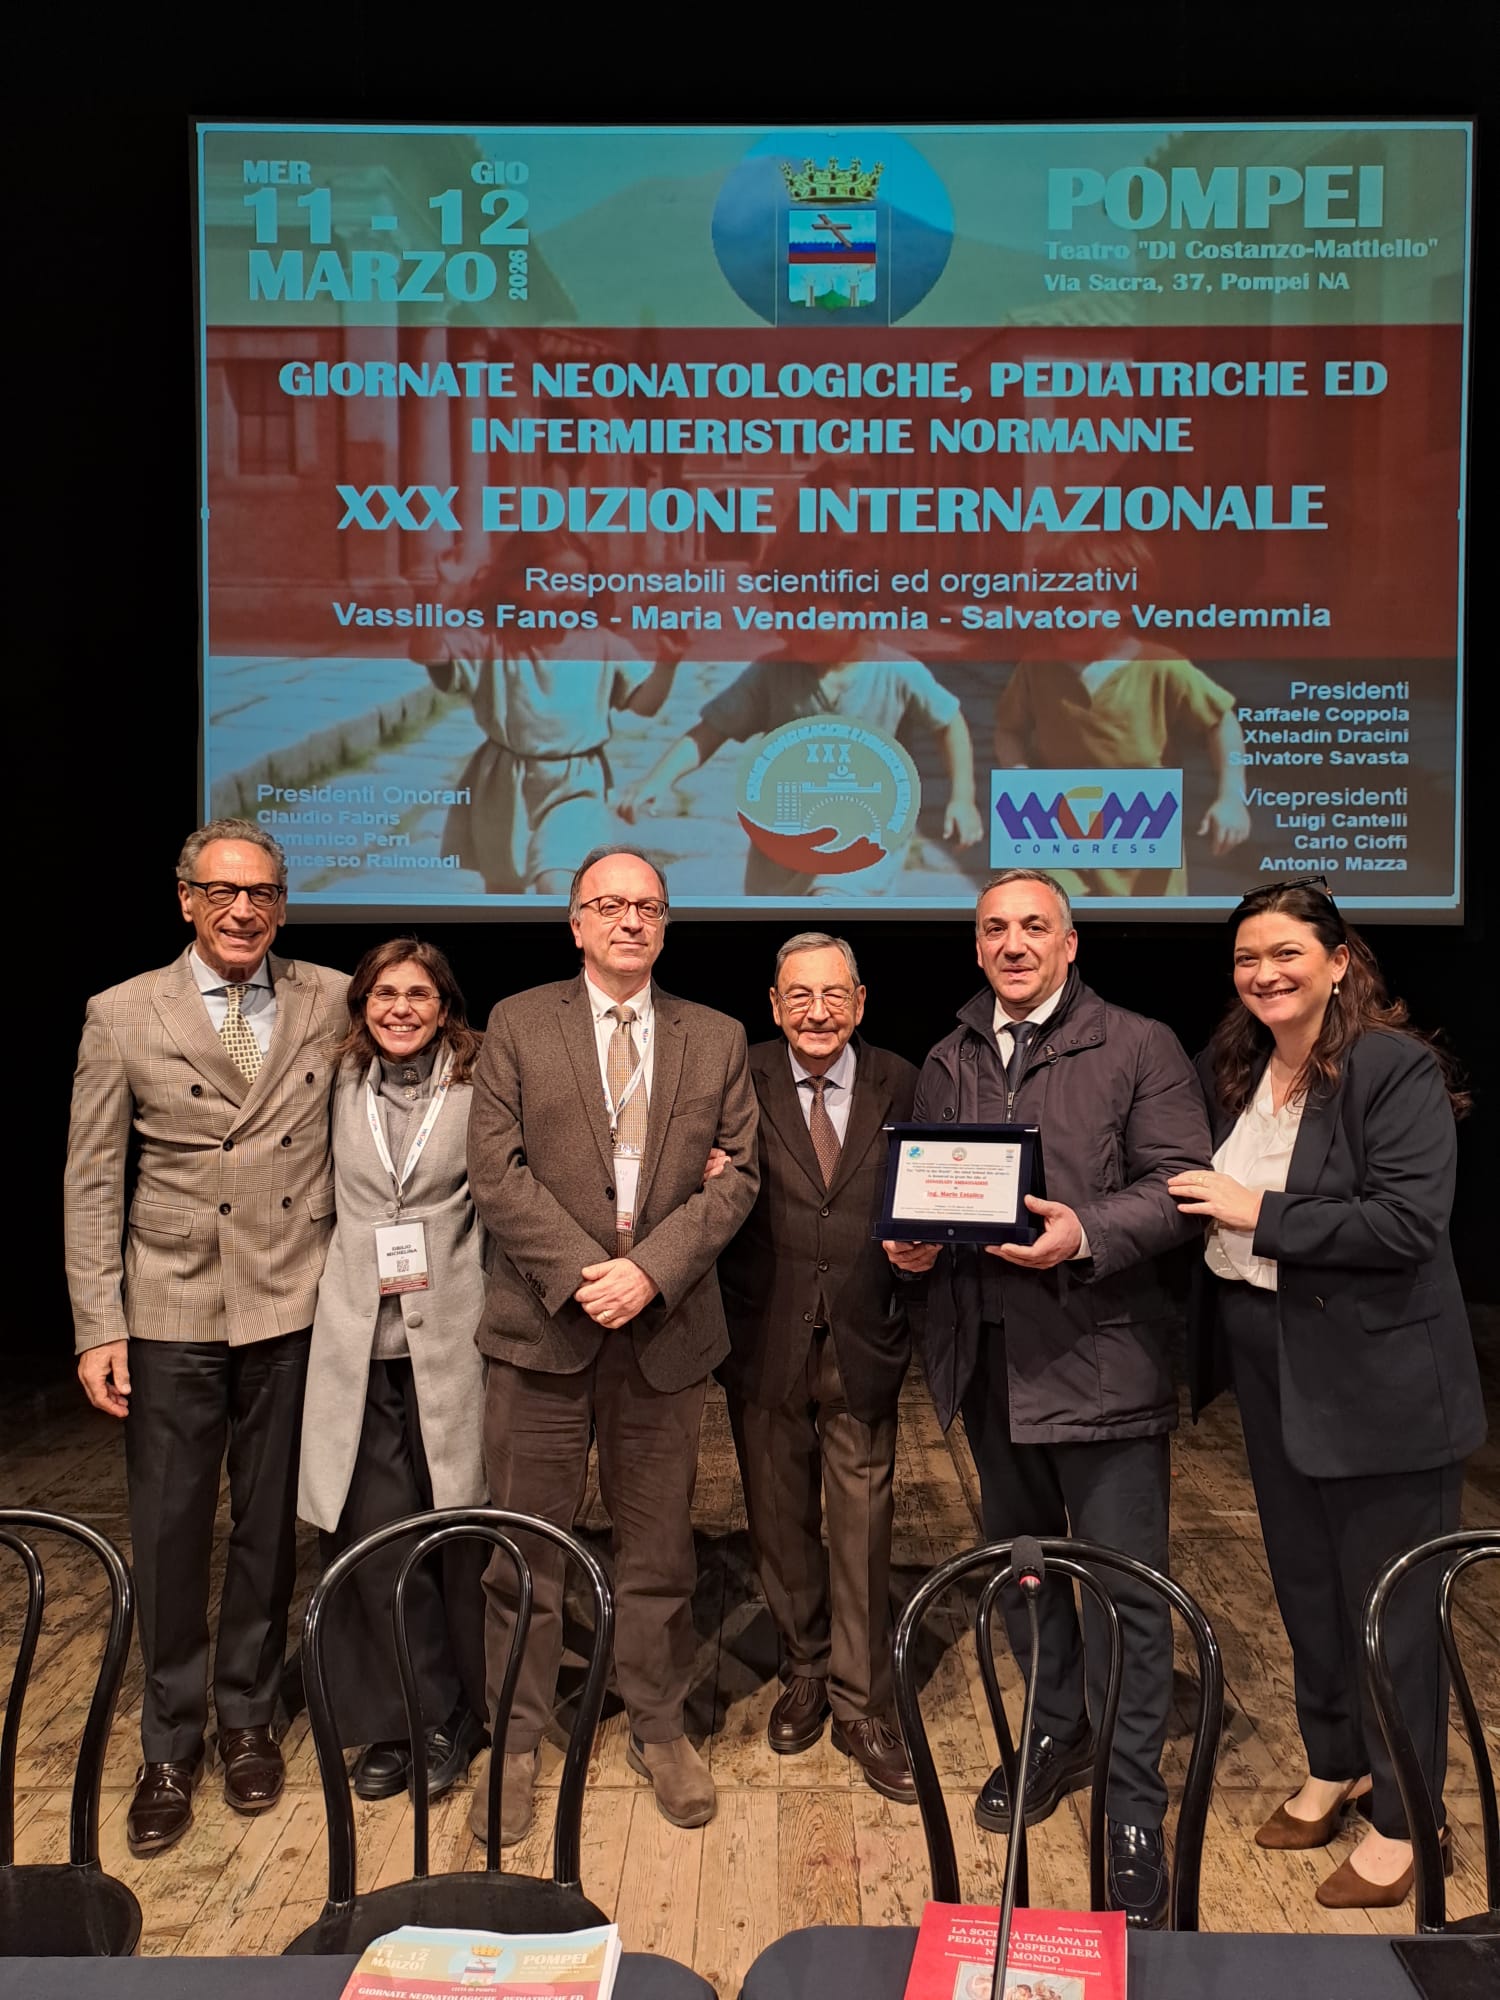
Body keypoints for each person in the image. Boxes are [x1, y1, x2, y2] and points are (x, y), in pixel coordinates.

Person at [885, 868, 1211, 1928]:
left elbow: (1179, 1188)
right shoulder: (950, 1054)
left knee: (1125, 1592)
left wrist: (1085, 1231)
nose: (1013, 943)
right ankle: (1055, 1730)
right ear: (977, 946)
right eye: (995, 928)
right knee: (1026, 1578)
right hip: (989, 1364)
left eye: (1034, 926)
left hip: (1101, 1358)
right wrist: (915, 1243)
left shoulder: (1140, 1043)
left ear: (1072, 944)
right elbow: (938, 1187)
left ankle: (1132, 1801)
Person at [1170, 877, 1485, 1909]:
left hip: (1381, 1379)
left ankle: (1407, 1817)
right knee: (1306, 1584)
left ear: (1339, 960)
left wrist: (1255, 1209)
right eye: (1246, 958)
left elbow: (1406, 1224)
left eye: (1286, 953)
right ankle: (1335, 1761)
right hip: (1270, 1355)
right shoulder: (1241, 1067)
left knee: (1390, 1605)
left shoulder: (1393, 1067)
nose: (1264, 973)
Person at [63, 819, 349, 1856]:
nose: (243, 910)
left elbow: (430, 1063)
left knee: (270, 1530)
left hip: (292, 1299)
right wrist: (98, 1322)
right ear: (185, 898)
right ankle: (169, 1744)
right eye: (223, 891)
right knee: (172, 1532)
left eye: (262, 892)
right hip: (172, 1306)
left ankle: (248, 1717)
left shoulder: (332, 997)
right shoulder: (122, 1011)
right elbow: (93, 1178)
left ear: (283, 905)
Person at [464, 844, 759, 1839]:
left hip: (664, 1330)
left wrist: (651, 1271)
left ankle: (660, 1725)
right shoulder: (516, 1023)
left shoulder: (716, 1036)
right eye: (610, 904)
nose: (631, 920)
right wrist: (591, 1273)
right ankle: (514, 1740)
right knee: (524, 1552)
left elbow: (739, 1175)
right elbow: (496, 1173)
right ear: (577, 922)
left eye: (649, 907)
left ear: (666, 924)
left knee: (661, 1549)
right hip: (543, 1326)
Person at [717, 932, 919, 1801]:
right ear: (773, 1005)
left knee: (864, 1527)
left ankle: (860, 1701)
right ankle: (803, 1666)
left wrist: (928, 1246)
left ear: (861, 1002)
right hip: (764, 1336)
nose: (817, 1011)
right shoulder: (738, 1075)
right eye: (798, 995)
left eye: (834, 994)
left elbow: (936, 1185)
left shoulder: (904, 1080)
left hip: (865, 1336)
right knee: (778, 1520)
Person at [296, 938, 488, 1802]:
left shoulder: (483, 1083)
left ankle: (461, 1713)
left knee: (460, 1531)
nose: (400, 1008)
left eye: (417, 994)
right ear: (362, 1006)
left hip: (455, 1340)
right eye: (383, 994)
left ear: (445, 1008)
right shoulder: (336, 1082)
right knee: (375, 1537)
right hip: (356, 1343)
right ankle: (400, 1716)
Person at [616, 632, 984, 894]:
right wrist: (658, 779)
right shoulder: (773, 671)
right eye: (788, 618)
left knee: (832, 903)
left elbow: (948, 721)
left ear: (861, 615)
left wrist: (962, 798)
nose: (797, 630)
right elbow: (711, 730)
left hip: (863, 837)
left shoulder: (897, 671)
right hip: (786, 840)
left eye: (813, 620)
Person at [992, 534, 1250, 898]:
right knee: (1058, 912)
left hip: (1142, 832)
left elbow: (1221, 722)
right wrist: (1019, 774)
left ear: (1125, 604)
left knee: (1147, 922)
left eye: (1079, 603)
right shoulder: (1037, 668)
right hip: (1058, 826)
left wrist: (1232, 797)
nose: (1062, 614)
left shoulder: (1162, 666)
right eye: (1052, 602)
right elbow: (1009, 729)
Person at [420, 538, 683, 894]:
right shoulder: (493, 641)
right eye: (553, 581)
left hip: (576, 782)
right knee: (503, 890)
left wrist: (667, 664)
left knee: (559, 882)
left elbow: (644, 704)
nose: (570, 592)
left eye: (579, 581)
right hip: (505, 782)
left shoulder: (602, 643)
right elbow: (429, 654)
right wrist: (443, 594)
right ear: (514, 586)